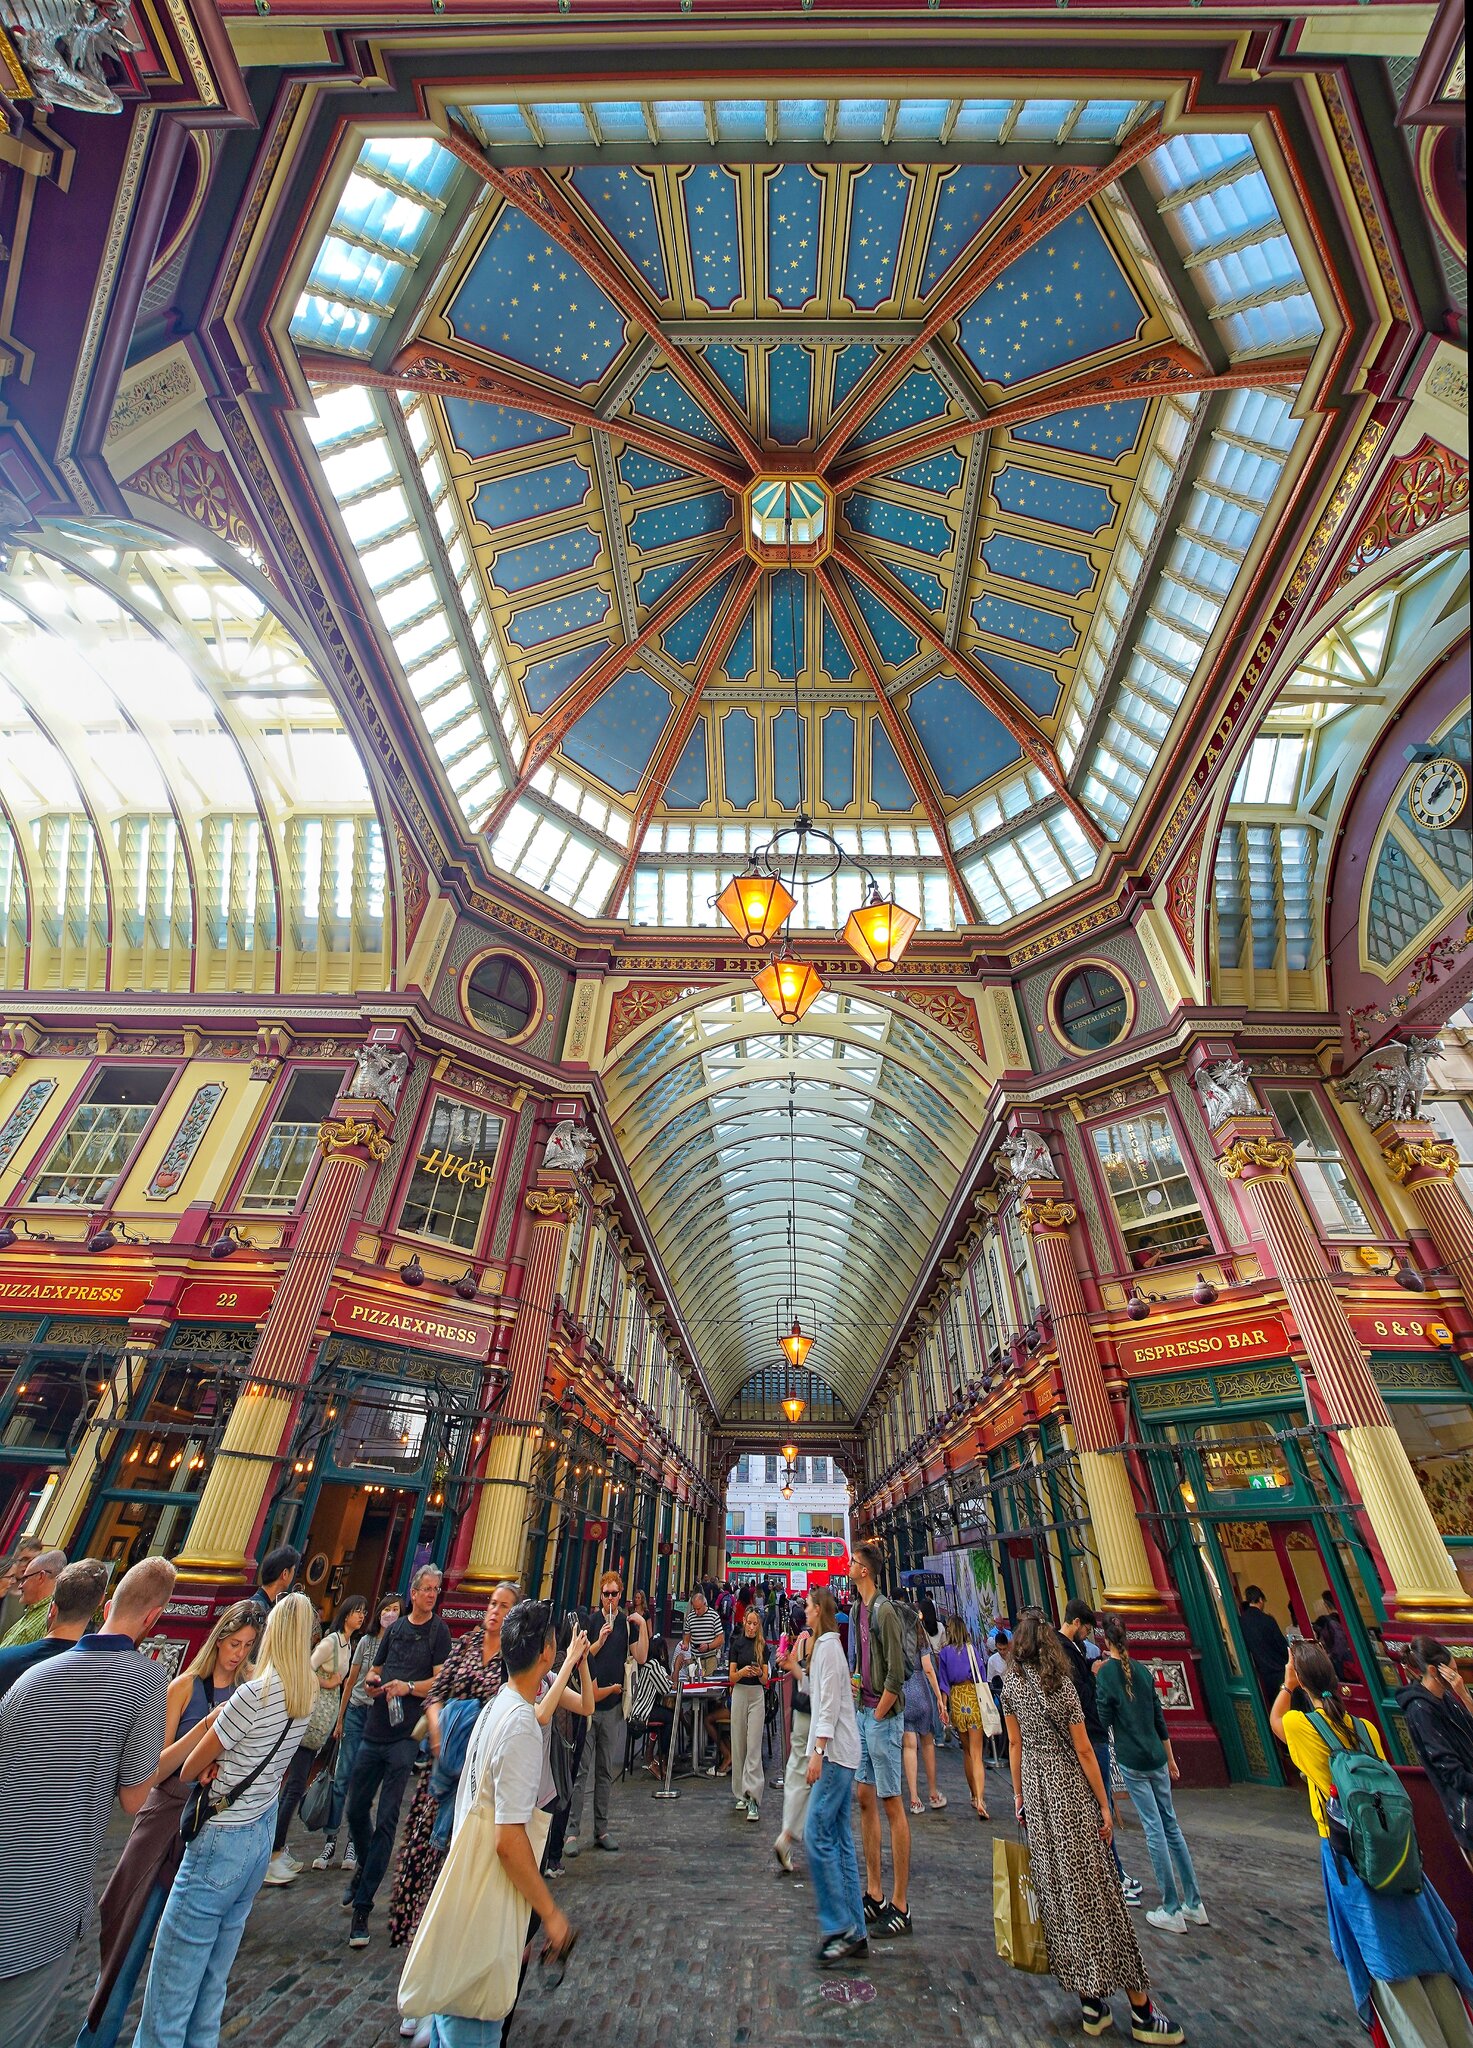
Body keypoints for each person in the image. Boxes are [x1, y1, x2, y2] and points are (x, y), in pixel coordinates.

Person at [0, 1555, 174, 2048]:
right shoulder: (145, 1680)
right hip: (50, 1890)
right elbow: (134, 1797)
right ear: (153, 1619)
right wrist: (193, 1744)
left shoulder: (30, 1679)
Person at [132, 1591, 315, 2048]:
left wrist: (214, 1751)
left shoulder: (255, 1695)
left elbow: (191, 1767)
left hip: (221, 1839)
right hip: (258, 1836)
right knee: (214, 1977)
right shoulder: (303, 1696)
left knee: (173, 1980)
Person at [1270, 1638, 1473, 2043]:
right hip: (1397, 1851)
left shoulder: (1300, 1725)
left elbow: (1277, 1720)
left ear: (1301, 1679)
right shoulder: (1365, 1729)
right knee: (1420, 1940)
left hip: (1348, 1852)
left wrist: (1286, 1684)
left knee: (1380, 1951)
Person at [79, 1599, 260, 2048]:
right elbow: (152, 1769)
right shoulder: (183, 1687)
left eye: (248, 1646)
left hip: (207, 1828)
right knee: (129, 1938)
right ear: (217, 1639)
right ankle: (96, 2037)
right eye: (233, 1643)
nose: (238, 1653)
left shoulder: (249, 1692)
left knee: (185, 1959)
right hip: (163, 1820)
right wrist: (202, 1743)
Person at [1001, 1612, 1182, 2044]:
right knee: (1100, 1895)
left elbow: (1013, 1745)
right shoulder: (1059, 1686)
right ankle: (1140, 2010)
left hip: (1039, 1800)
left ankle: (1092, 2003)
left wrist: (1019, 1796)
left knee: (1062, 1897)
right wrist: (1104, 1804)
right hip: (1069, 1794)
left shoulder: (1011, 1688)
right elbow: (1084, 1749)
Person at [422, 1601, 579, 2047]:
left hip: (467, 1888)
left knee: (453, 2024)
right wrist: (551, 1916)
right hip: (485, 1905)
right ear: (546, 1652)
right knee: (473, 2025)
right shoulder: (521, 1725)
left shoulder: (494, 1706)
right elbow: (508, 1840)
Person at [389, 1585, 517, 1951]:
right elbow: (436, 1693)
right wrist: (437, 1731)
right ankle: (422, 1930)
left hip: (478, 1775)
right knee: (429, 1844)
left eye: (504, 1606)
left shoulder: (513, 1658)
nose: (494, 1611)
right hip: (443, 1767)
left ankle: (450, 1934)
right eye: (492, 1603)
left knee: (459, 1848)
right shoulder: (466, 1645)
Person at [344, 1565, 451, 1949]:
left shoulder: (439, 1633)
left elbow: (440, 1682)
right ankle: (365, 1865)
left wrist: (407, 1687)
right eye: (426, 1589)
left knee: (388, 1816)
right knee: (356, 1808)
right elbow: (373, 1671)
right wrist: (374, 1685)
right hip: (375, 1730)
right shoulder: (396, 1631)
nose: (431, 1596)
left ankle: (363, 1904)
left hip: (405, 1736)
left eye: (436, 1590)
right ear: (413, 1591)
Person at [1095, 1616, 1208, 1936]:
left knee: (1154, 1830)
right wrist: (1170, 1759)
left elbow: (1102, 1721)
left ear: (1106, 1642)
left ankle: (1171, 1907)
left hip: (1132, 1761)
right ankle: (1195, 1902)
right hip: (1158, 1759)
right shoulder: (1144, 1672)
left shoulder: (1108, 1676)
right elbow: (1160, 1721)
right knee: (1171, 1826)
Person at [265, 1591, 366, 1886]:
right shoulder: (330, 1642)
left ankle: (278, 1848)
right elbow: (306, 1669)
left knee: (294, 1786)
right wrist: (327, 1681)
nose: (361, 1616)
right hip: (307, 1720)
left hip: (321, 1724)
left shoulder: (349, 1644)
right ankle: (272, 1853)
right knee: (293, 1785)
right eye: (357, 1611)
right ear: (346, 1613)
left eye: (363, 1612)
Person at [847, 1540, 911, 1939]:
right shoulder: (856, 1610)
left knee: (892, 1805)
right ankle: (874, 1891)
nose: (848, 1566)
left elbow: (897, 1671)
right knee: (865, 1798)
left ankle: (901, 1905)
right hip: (864, 1713)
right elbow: (862, 1661)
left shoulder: (886, 1612)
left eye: (853, 1562)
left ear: (865, 1570)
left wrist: (880, 1711)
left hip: (882, 1718)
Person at [1059, 1597, 1141, 1906]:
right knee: (1100, 1806)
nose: (1091, 1636)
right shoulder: (1066, 1651)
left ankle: (1113, 1871)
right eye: (1088, 1629)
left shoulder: (1072, 1649)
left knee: (1097, 1807)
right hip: (1088, 1737)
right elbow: (1075, 1695)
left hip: (1090, 1734)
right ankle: (1114, 1874)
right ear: (1078, 1623)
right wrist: (1093, 1675)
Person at [803, 1586, 867, 1966]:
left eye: (808, 1607)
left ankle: (836, 1925)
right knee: (841, 1839)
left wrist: (817, 1752)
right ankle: (857, 1931)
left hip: (835, 1757)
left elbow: (826, 1705)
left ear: (819, 1611)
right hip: (844, 1754)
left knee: (816, 1834)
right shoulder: (826, 1646)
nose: (804, 1612)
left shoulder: (827, 1648)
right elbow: (821, 1694)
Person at [315, 1590, 401, 1872]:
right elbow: (351, 1680)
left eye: (397, 1611)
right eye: (387, 1609)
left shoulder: (400, 1646)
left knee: (362, 1784)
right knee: (342, 1778)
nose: (391, 1614)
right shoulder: (364, 1642)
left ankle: (352, 1842)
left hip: (377, 1718)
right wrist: (339, 1720)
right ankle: (331, 1840)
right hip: (354, 1712)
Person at [564, 1570, 647, 1858]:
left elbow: (641, 1657)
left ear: (621, 1594)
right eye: (606, 1594)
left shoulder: (625, 1624)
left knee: (604, 1770)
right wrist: (598, 1640)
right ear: (599, 1595)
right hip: (588, 1707)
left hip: (612, 1708)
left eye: (614, 1594)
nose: (610, 1598)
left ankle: (602, 1829)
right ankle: (571, 1832)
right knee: (580, 1771)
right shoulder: (590, 1623)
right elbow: (579, 1659)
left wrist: (643, 1625)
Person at [1396, 1637, 1473, 1869]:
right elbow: (1451, 1774)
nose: (1457, 1677)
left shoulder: (1448, 1697)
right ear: (1433, 1670)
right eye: (1453, 1671)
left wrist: (1464, 1695)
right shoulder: (1421, 1710)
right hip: (1467, 1811)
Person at [0, 1554, 107, 1700]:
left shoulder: (21, 1658)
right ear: (100, 1602)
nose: (20, 1585)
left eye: (25, 1578)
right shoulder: (95, 1684)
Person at [544, 1611, 597, 1878]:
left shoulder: (559, 1670)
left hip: (565, 1745)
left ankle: (551, 1855)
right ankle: (550, 1856)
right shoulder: (547, 1676)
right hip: (556, 1749)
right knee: (557, 1798)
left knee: (558, 1797)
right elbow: (545, 1713)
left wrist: (583, 1661)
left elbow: (587, 1705)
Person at [935, 1615, 992, 1820]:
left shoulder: (944, 1654)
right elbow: (982, 1676)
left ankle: (973, 1795)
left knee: (967, 1751)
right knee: (977, 1753)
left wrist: (943, 1706)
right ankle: (981, 1798)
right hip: (973, 1698)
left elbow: (943, 1682)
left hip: (958, 1700)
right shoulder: (972, 1650)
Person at [773, 1608, 813, 1872]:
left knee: (797, 1772)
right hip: (813, 1713)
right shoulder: (817, 1641)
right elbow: (814, 1682)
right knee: (809, 1777)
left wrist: (789, 1664)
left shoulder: (800, 1641)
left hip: (800, 1712)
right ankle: (794, 1835)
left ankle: (791, 1833)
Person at [899, 1601, 948, 1815]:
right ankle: (933, 1793)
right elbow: (928, 1669)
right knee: (927, 1743)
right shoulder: (921, 1638)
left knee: (909, 1746)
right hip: (920, 1690)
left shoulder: (896, 1639)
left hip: (902, 1692)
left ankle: (914, 1798)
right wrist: (939, 1697)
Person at [727, 1603, 768, 1823]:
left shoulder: (762, 1646)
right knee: (738, 1743)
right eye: (749, 1623)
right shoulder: (736, 1644)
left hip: (756, 1695)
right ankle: (739, 1793)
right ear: (743, 1622)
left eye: (755, 1624)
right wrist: (742, 1672)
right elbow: (732, 1677)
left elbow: (766, 1679)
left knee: (753, 1746)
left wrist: (759, 1671)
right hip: (740, 1692)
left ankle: (753, 1795)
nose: (751, 1627)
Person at [0, 1545, 65, 1648]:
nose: (20, 1585)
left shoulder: (49, 1617)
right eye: (24, 1560)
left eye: (25, 1578)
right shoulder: (32, 1610)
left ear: (41, 1577)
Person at [1238, 1585, 1291, 1707]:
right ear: (1260, 1599)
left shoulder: (1242, 1622)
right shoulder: (1267, 1620)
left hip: (1262, 1674)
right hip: (1279, 1670)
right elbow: (1282, 1645)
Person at [247, 1544, 301, 1623]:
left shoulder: (264, 1605)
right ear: (285, 1574)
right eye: (293, 1570)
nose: (293, 1575)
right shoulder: (255, 1609)